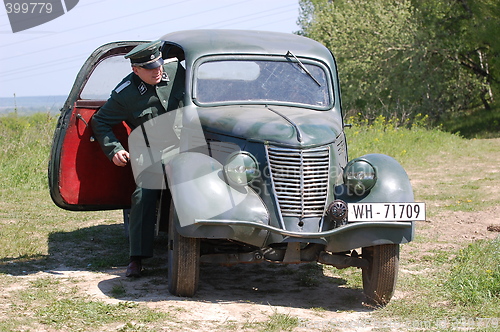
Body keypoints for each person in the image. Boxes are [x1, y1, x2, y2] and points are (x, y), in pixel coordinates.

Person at [91, 40, 185, 277]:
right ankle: (137, 257)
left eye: (159, 65)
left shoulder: (177, 73)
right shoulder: (126, 94)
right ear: (136, 70)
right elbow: (99, 121)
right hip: (150, 149)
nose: (158, 71)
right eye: (151, 68)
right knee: (144, 193)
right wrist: (114, 150)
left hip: (186, 146)